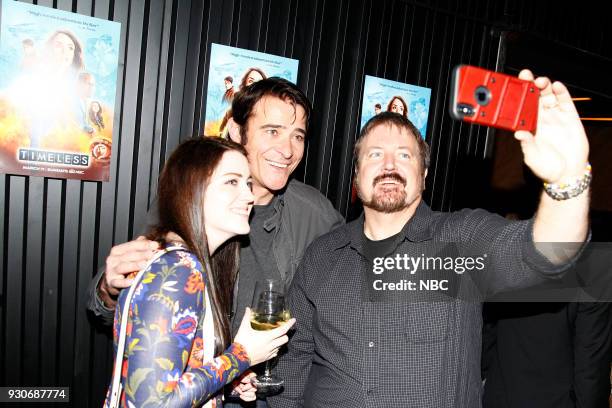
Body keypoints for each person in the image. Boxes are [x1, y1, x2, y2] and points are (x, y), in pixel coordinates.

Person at [268, 69, 591, 408]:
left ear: (423, 176)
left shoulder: (460, 241)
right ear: (357, 174)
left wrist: (567, 180)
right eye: (375, 154)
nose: (389, 164)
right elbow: (294, 358)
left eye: (405, 155)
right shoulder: (322, 255)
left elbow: (545, 255)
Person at [87, 77, 344, 406]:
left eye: (298, 136)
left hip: (259, 391)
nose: (288, 149)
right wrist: (110, 291)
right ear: (237, 132)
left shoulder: (316, 214)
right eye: (272, 131)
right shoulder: (190, 208)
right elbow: (134, 308)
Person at [103, 136, 295, 406]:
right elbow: (152, 404)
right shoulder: (179, 269)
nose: (250, 196)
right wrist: (241, 356)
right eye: (232, 182)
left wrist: (229, 381)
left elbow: (175, 378)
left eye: (248, 183)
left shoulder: (185, 261)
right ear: (192, 189)